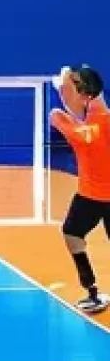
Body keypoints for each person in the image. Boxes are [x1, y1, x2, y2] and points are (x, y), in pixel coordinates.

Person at [52, 65, 110, 314]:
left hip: (97, 197)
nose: (62, 93)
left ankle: (93, 292)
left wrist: (59, 114)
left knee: (73, 234)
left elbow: (65, 122)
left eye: (66, 89)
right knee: (72, 232)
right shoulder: (95, 122)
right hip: (90, 196)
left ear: (85, 94)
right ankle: (93, 291)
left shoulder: (89, 128)